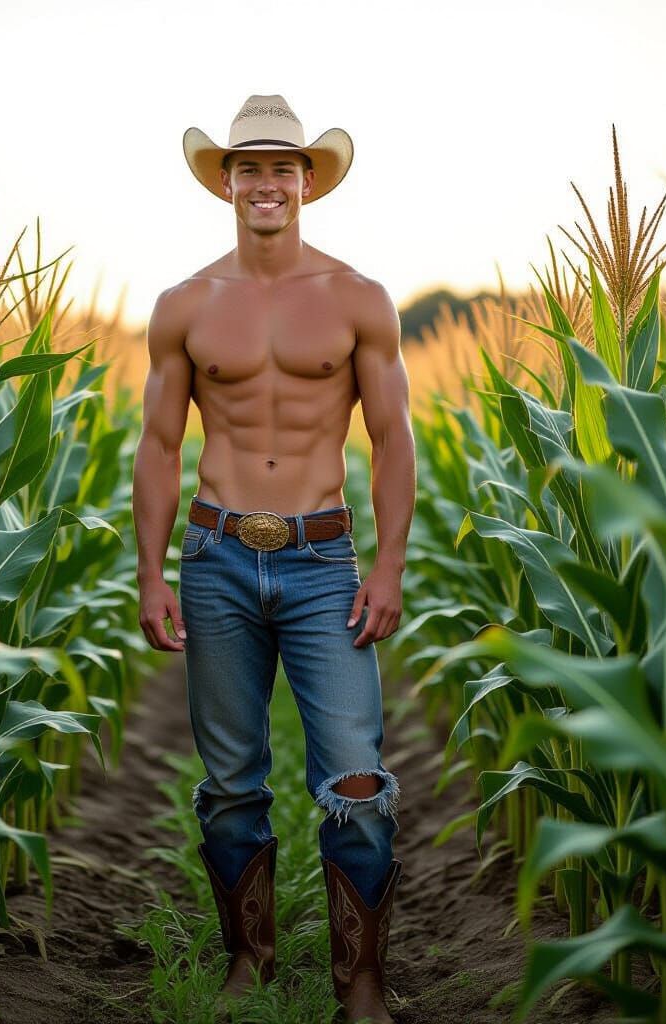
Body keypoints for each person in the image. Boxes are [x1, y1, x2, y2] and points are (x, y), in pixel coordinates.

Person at [132, 93, 416, 1024]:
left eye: (281, 167)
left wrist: (388, 567)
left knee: (358, 782)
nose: (265, 182)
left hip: (321, 561)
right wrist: (151, 572)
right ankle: (247, 961)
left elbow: (394, 437)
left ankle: (361, 983)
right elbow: (161, 447)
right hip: (216, 556)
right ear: (225, 181)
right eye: (247, 167)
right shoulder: (184, 306)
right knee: (228, 788)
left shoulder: (357, 299)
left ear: (309, 182)